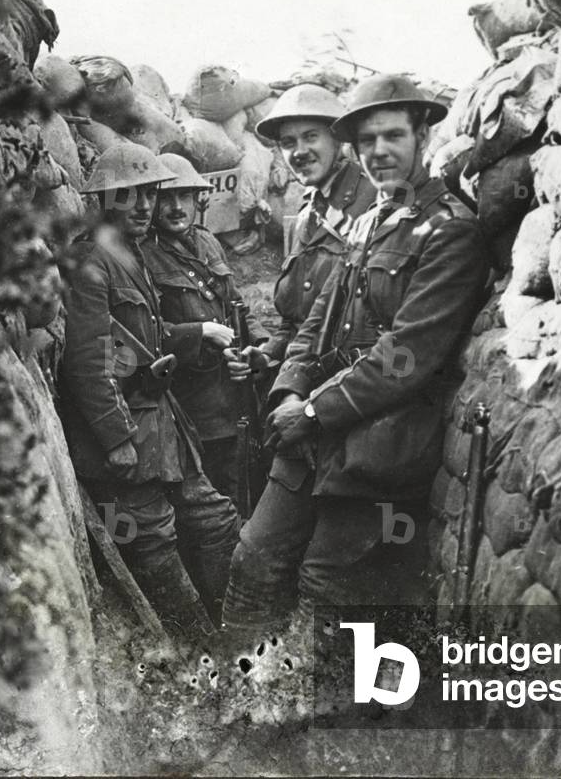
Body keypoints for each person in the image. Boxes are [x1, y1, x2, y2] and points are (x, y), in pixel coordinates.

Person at [222, 75, 489, 634]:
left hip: (381, 443)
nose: (379, 152)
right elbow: (320, 316)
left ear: (421, 136)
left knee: (329, 591)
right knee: (253, 558)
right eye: (367, 141)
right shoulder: (370, 222)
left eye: (393, 136)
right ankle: (237, 708)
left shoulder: (450, 231)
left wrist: (316, 410)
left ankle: (319, 714)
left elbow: (408, 353)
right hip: (316, 430)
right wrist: (292, 385)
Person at [58, 143, 241, 640]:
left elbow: (149, 338)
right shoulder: (90, 262)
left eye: (148, 192)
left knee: (216, 520)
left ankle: (234, 633)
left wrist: (195, 333)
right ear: (102, 201)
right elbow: (88, 362)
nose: (142, 205)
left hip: (162, 426)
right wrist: (116, 437)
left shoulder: (130, 253)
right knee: (154, 542)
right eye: (127, 194)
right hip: (126, 433)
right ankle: (197, 650)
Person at [139, 153, 268, 500]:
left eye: (185, 196)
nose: (176, 207)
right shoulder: (141, 255)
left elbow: (237, 304)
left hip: (236, 396)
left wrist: (260, 346)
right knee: (210, 501)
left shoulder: (208, 241)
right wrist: (200, 332)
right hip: (192, 406)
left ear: (198, 199)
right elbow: (143, 332)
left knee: (247, 487)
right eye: (165, 197)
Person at [255, 84, 376, 362]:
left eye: (311, 137)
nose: (299, 151)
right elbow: (293, 320)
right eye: (288, 143)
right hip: (301, 370)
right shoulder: (308, 212)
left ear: (338, 140)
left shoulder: (372, 201)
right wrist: (266, 354)